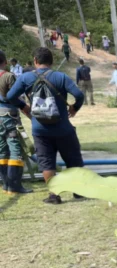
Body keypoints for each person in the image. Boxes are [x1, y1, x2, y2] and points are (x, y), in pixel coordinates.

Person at [6, 47, 85, 204]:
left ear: (35, 60)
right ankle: (78, 191)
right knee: (73, 159)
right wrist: (74, 108)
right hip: (64, 128)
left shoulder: (25, 78)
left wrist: (23, 106)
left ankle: (54, 195)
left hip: (40, 129)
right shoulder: (61, 77)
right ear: (52, 61)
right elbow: (79, 95)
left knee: (47, 161)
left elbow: (10, 96)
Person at [0, 50, 33, 194]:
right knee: (15, 150)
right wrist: (27, 110)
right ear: (5, 61)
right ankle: (15, 186)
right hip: (9, 116)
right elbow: (16, 97)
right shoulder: (9, 76)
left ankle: (6, 184)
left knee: (1, 151)